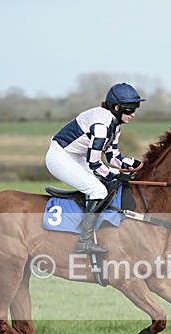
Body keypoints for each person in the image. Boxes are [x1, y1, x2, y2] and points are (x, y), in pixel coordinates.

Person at [45, 82, 145, 254]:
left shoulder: (115, 124)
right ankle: (84, 241)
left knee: (109, 182)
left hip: (76, 157)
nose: (133, 115)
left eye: (135, 109)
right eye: (129, 110)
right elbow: (95, 163)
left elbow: (112, 157)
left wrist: (137, 165)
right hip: (60, 158)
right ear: (116, 107)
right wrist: (112, 175)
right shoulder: (102, 124)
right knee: (98, 190)